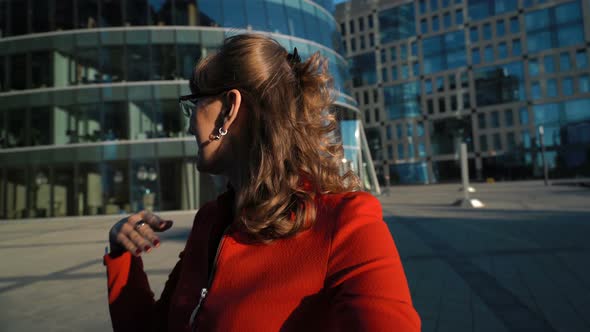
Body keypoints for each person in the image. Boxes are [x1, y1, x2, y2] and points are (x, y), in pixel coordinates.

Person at [104, 33, 421, 332]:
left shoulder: (345, 224)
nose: (189, 123)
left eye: (195, 102)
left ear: (230, 108)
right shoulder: (208, 221)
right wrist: (121, 255)